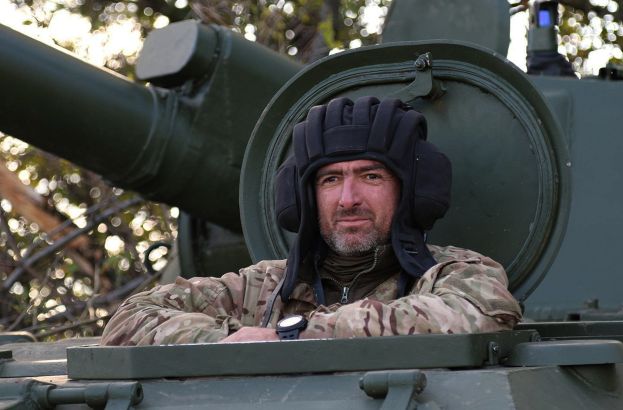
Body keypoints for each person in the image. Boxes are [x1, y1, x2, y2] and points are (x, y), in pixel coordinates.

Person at [101, 96, 522, 346]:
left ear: (408, 190)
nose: (348, 199)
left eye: (371, 176)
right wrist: (225, 340)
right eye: (330, 180)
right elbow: (129, 319)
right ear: (304, 197)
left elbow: (477, 315)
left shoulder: (453, 274)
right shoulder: (263, 288)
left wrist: (293, 337)